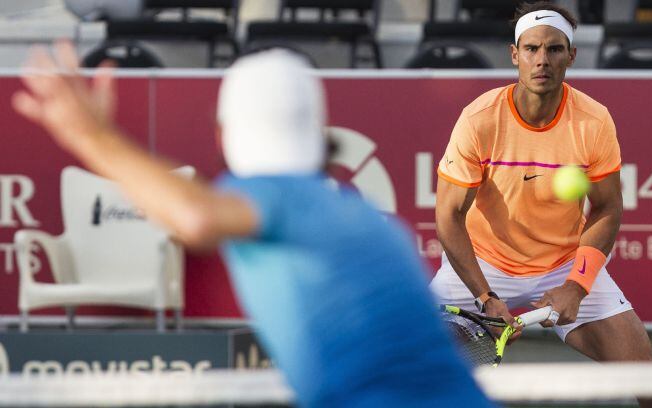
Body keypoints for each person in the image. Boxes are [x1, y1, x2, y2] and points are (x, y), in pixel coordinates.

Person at [12, 42, 493, 408]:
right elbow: (189, 212)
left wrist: (89, 136)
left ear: (223, 134)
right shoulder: (368, 220)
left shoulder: (275, 198)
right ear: (320, 135)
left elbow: (196, 216)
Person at [429, 2, 652, 407]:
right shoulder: (478, 119)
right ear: (514, 55)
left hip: (564, 264)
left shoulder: (593, 121)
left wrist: (577, 287)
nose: (541, 60)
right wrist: (484, 296)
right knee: (415, 378)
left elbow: (606, 209)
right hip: (482, 265)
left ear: (571, 55)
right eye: (530, 49)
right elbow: (448, 216)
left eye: (553, 49)